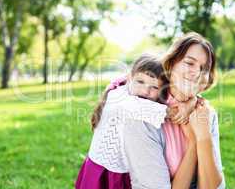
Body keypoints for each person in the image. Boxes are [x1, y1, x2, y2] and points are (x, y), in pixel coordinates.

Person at [120, 32, 225, 189]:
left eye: (204, 69)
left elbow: (214, 186)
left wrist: (203, 136)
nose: (196, 72)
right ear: (170, 64)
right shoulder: (142, 115)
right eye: (189, 63)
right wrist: (193, 142)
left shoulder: (205, 112)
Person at [75, 55, 190, 189]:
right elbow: (138, 107)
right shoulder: (118, 97)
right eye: (140, 82)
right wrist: (179, 109)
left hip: (126, 170)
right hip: (105, 170)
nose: (145, 90)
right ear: (130, 78)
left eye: (154, 87)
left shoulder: (138, 94)